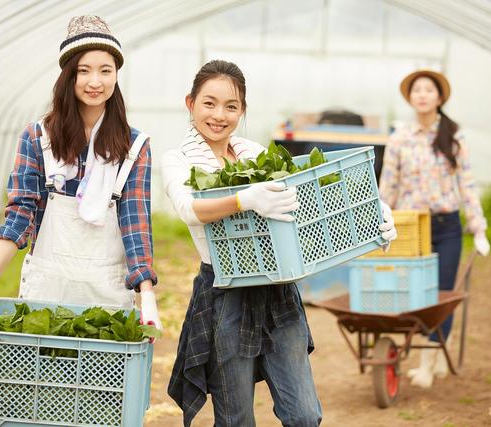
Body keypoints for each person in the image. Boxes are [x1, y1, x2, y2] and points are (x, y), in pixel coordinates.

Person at [162, 59, 397, 426]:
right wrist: (244, 199)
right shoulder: (177, 160)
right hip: (227, 294)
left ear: (242, 111)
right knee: (236, 418)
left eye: (231, 106)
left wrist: (371, 212)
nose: (219, 115)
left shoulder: (256, 154)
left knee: (304, 415)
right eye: (209, 103)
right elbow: (190, 208)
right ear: (190, 103)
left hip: (277, 289)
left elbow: (309, 197)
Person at [0, 15, 161, 333]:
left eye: (105, 70)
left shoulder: (133, 146)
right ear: (68, 76)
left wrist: (148, 295)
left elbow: (135, 224)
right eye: (83, 70)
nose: (95, 82)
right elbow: (20, 215)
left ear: (116, 75)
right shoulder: (38, 137)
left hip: (108, 298)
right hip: (47, 293)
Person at [379, 69, 490, 388]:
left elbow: (466, 184)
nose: (423, 95)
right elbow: (390, 185)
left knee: (441, 293)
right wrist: (382, 221)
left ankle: (429, 363)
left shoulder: (453, 136)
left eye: (429, 90)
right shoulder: (400, 136)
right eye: (417, 90)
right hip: (412, 226)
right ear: (411, 98)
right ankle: (431, 354)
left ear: (439, 98)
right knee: (415, 292)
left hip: (447, 227)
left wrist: (478, 228)